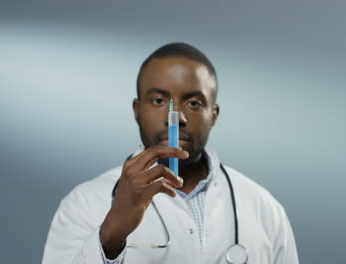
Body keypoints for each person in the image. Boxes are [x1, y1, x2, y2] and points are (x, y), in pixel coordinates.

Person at [42, 42, 299, 264]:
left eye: (194, 103)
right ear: (137, 109)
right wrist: (110, 235)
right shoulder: (85, 204)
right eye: (158, 101)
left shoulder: (264, 207)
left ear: (214, 115)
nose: (176, 118)